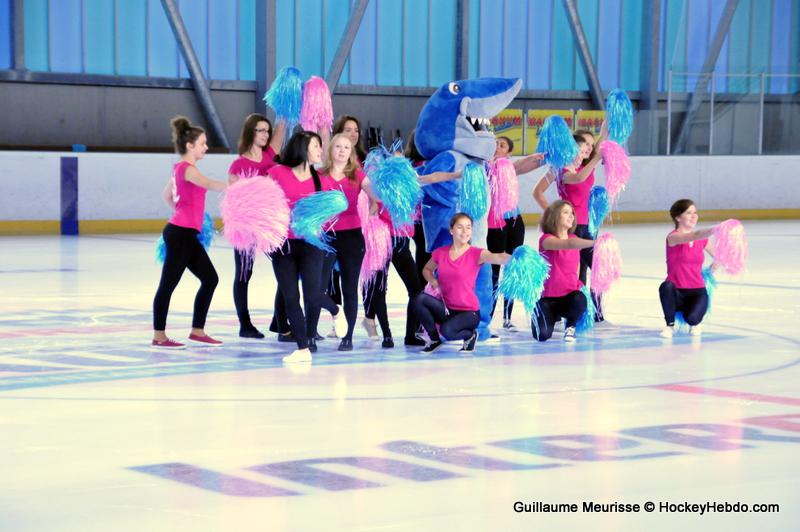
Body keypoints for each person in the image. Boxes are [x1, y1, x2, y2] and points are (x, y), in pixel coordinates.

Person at [152, 116, 226, 348]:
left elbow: (166, 196)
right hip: (180, 235)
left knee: (210, 279)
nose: (206, 147)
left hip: (184, 233)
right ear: (189, 145)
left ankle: (197, 331)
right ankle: (159, 336)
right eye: (202, 143)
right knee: (168, 284)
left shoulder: (179, 169)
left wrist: (183, 212)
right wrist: (238, 186)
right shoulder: (188, 169)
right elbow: (209, 184)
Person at [532, 123, 609, 325]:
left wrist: (609, 116)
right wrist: (554, 214)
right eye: (585, 145)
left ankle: (594, 311)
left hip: (588, 226)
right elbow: (537, 192)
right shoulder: (560, 170)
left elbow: (602, 139)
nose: (590, 148)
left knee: (594, 268)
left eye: (591, 145)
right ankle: (568, 312)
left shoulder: (585, 165)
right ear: (574, 147)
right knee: (577, 272)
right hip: (570, 228)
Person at [267, 131, 326, 363]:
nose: (320, 150)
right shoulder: (276, 173)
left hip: (310, 243)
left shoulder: (320, 178)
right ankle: (302, 348)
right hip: (283, 245)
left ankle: (335, 311)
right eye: (316, 145)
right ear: (303, 147)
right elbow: (263, 203)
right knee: (290, 296)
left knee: (312, 295)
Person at [414, 213, 510, 354]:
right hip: (447, 308)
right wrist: (434, 282)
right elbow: (427, 270)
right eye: (460, 227)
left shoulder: (477, 253)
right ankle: (434, 340)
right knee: (419, 299)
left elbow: (498, 257)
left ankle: (470, 335)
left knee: (447, 331)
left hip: (469, 312)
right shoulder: (440, 253)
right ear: (451, 230)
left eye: (468, 227)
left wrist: (517, 257)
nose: (465, 231)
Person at [227, 114, 286, 339]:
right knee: (244, 274)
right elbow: (234, 200)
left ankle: (278, 320)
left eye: (267, 130)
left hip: (271, 226)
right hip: (247, 228)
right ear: (250, 132)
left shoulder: (270, 153)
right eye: (261, 130)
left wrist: (288, 103)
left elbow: (282, 125)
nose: (266, 134)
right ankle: (245, 325)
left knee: (286, 269)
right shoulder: (238, 165)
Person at [487, 136, 545, 332]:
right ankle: (487, 318)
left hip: (515, 222)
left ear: (509, 152)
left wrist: (536, 158)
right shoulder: (486, 166)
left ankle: (507, 317)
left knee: (512, 268)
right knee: (495, 270)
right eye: (495, 144)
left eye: (502, 145)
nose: (497, 147)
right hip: (495, 224)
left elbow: (520, 166)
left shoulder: (509, 167)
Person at [317, 134, 368, 351]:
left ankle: (348, 336)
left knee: (349, 288)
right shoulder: (319, 174)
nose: (342, 150)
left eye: (346, 147)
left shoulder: (357, 175)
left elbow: (373, 191)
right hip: (326, 236)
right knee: (317, 287)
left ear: (351, 152)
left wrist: (378, 198)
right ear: (331, 150)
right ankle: (326, 318)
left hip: (352, 236)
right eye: (338, 146)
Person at [531, 200, 594, 342]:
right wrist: (595, 242)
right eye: (565, 212)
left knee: (580, 298)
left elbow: (576, 269)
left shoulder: (574, 238)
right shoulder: (546, 239)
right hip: (548, 299)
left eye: (572, 213)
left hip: (568, 298)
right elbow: (568, 244)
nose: (571, 216)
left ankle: (570, 326)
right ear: (554, 216)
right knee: (542, 335)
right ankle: (549, 315)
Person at [659, 199, 716, 338]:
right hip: (676, 293)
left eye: (695, 213)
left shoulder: (703, 240)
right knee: (666, 286)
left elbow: (719, 256)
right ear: (678, 217)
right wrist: (716, 229)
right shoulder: (673, 237)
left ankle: (695, 322)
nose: (694, 216)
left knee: (692, 319)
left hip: (697, 292)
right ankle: (670, 326)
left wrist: (710, 270)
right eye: (689, 213)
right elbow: (693, 235)